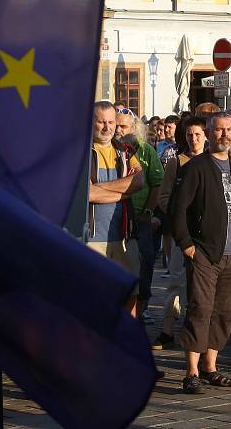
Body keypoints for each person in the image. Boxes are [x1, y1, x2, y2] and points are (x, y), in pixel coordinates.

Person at [171, 112, 231, 394]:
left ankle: (210, 366)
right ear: (210, 132)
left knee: (225, 312)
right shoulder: (196, 167)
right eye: (219, 130)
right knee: (200, 308)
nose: (224, 135)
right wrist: (186, 244)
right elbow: (178, 209)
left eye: (229, 130)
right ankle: (191, 370)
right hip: (205, 252)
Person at [152, 116, 208, 350]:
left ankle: (196, 330)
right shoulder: (178, 162)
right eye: (189, 135)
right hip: (181, 232)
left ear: (206, 136)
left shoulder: (214, 161)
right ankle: (167, 329)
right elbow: (164, 196)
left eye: (197, 135)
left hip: (206, 235)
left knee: (201, 285)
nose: (193, 139)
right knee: (176, 280)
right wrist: (178, 218)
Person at [87, 101, 144, 317]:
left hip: (124, 236)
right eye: (101, 122)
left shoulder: (125, 150)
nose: (107, 127)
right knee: (93, 295)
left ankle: (125, 339)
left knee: (130, 292)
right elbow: (85, 194)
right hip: (91, 238)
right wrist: (123, 193)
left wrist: (98, 189)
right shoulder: (82, 152)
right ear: (91, 122)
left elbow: (138, 181)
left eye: (111, 122)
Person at [114, 108, 164, 322]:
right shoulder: (103, 149)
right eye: (116, 125)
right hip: (113, 215)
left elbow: (157, 183)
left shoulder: (145, 151)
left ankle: (141, 308)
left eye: (123, 126)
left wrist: (148, 212)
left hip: (139, 216)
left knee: (144, 261)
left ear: (133, 128)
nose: (118, 130)